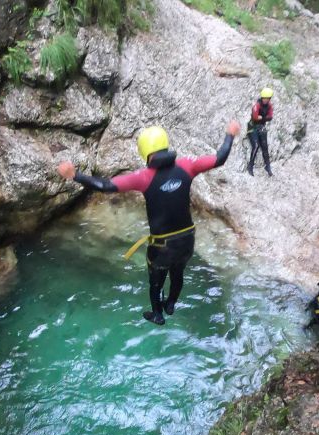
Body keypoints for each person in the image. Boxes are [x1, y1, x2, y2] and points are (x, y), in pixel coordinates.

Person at [57, 121, 241, 325]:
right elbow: (220, 158)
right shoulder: (188, 166)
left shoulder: (144, 177)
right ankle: (171, 304)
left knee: (156, 281)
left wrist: (75, 175)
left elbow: (106, 186)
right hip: (187, 240)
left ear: (145, 152)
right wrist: (229, 134)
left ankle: (158, 315)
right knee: (178, 272)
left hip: (162, 246)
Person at [247, 88, 274, 176]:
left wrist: (262, 117)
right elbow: (255, 117)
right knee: (256, 146)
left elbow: (270, 117)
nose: (266, 100)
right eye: (265, 98)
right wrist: (264, 117)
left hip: (261, 126)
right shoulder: (257, 105)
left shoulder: (269, 105)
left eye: (268, 98)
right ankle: (250, 166)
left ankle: (268, 167)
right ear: (262, 98)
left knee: (265, 147)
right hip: (252, 127)